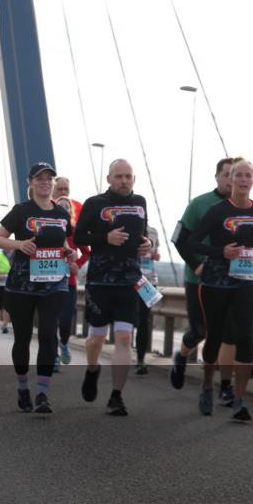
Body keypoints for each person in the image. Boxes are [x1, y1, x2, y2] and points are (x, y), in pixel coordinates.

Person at [188, 159, 253, 421]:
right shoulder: (216, 211)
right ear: (230, 180)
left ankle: (240, 401)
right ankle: (208, 385)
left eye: (248, 175)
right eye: (239, 175)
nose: (243, 180)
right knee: (215, 335)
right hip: (216, 281)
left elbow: (250, 242)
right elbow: (193, 242)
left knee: (245, 336)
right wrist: (220, 251)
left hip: (246, 280)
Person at [0, 162, 75, 413]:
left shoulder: (61, 214)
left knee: (49, 335)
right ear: (30, 183)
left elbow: (61, 242)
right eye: (39, 178)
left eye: (49, 178)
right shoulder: (21, 211)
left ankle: (42, 393)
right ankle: (22, 387)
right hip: (22, 286)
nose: (45, 182)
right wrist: (18, 246)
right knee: (23, 338)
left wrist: (67, 252)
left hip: (54, 284)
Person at [74, 159, 153, 417]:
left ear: (134, 179)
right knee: (96, 337)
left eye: (128, 176)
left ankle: (116, 396)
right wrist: (105, 238)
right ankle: (93, 368)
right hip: (99, 281)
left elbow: (144, 235)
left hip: (130, 280)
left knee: (123, 338)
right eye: (118, 176)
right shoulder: (95, 203)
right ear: (108, 179)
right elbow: (78, 237)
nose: (124, 180)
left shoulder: (140, 202)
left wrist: (147, 245)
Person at [170, 158, 239, 405]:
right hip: (199, 278)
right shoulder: (199, 204)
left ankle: (224, 388)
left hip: (233, 281)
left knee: (227, 334)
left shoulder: (245, 207)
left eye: (238, 174)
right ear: (217, 177)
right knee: (201, 331)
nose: (233, 180)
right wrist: (197, 264)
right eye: (228, 175)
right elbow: (179, 239)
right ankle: (182, 356)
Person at [54, 195, 89, 368]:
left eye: (66, 207)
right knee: (51, 321)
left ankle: (64, 343)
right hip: (49, 284)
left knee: (66, 320)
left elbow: (87, 252)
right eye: (59, 206)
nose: (63, 209)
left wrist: (77, 264)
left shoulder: (75, 232)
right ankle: (53, 355)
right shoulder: (46, 230)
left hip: (70, 283)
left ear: (71, 212)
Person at [135, 225, 160, 374]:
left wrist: (156, 256)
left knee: (144, 320)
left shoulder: (153, 231)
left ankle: (140, 360)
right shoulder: (128, 228)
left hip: (148, 281)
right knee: (130, 319)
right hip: (131, 278)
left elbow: (156, 252)